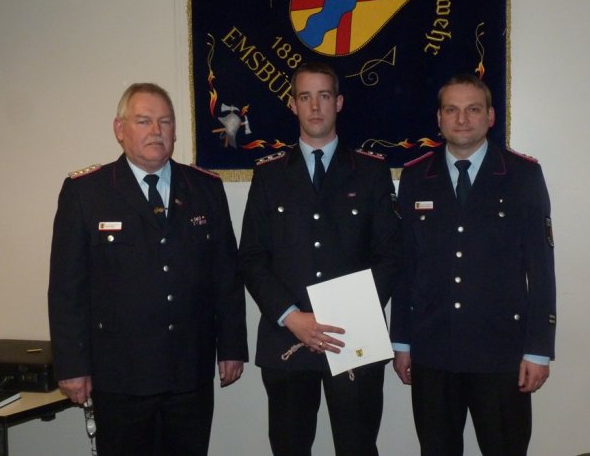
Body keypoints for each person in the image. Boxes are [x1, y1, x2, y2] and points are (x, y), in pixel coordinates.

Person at [48, 82, 248, 456]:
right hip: (119, 374)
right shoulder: (86, 192)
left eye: (165, 122)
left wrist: (232, 347)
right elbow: (66, 289)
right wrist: (72, 365)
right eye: (143, 121)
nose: (156, 131)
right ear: (119, 129)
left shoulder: (204, 187)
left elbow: (226, 275)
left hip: (189, 370)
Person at [238, 61, 402, 456]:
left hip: (353, 338)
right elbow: (252, 257)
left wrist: (344, 317)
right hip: (287, 341)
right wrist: (292, 317)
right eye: (305, 97)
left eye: (324, 96)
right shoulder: (269, 175)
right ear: (293, 105)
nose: (315, 107)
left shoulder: (371, 172)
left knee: (358, 448)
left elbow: (390, 254)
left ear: (339, 102)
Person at [390, 73, 557, 456]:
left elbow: (541, 268)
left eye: (473, 109)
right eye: (452, 110)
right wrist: (401, 341)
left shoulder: (522, 175)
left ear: (491, 116)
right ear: (439, 118)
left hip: (500, 352)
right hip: (433, 350)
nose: (462, 119)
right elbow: (406, 266)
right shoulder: (416, 176)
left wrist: (538, 349)